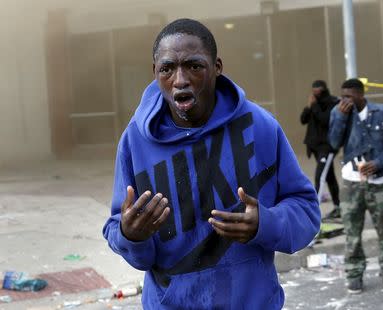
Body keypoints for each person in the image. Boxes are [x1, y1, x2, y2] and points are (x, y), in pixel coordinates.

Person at [103, 18, 320, 309]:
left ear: (217, 67)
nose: (180, 80)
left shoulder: (260, 127)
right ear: (155, 72)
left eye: (194, 66)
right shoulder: (135, 141)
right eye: (167, 68)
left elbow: (306, 211)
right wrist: (132, 235)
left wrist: (265, 223)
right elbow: (120, 234)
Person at [328, 78, 383, 294]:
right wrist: (341, 117)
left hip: (379, 183)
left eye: (349, 96)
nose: (345, 100)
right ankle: (354, 274)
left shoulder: (382, 112)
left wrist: (379, 163)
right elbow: (333, 143)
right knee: (352, 232)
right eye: (343, 96)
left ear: (361, 95)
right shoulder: (338, 112)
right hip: (351, 183)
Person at [300, 80, 340, 220]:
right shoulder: (313, 103)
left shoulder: (332, 102)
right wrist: (308, 106)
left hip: (327, 146)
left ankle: (314, 214)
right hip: (316, 147)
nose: (315, 92)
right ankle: (338, 207)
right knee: (330, 176)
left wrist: (315, 106)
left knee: (320, 176)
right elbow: (303, 120)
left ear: (323, 89)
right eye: (313, 89)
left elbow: (325, 120)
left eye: (318, 89)